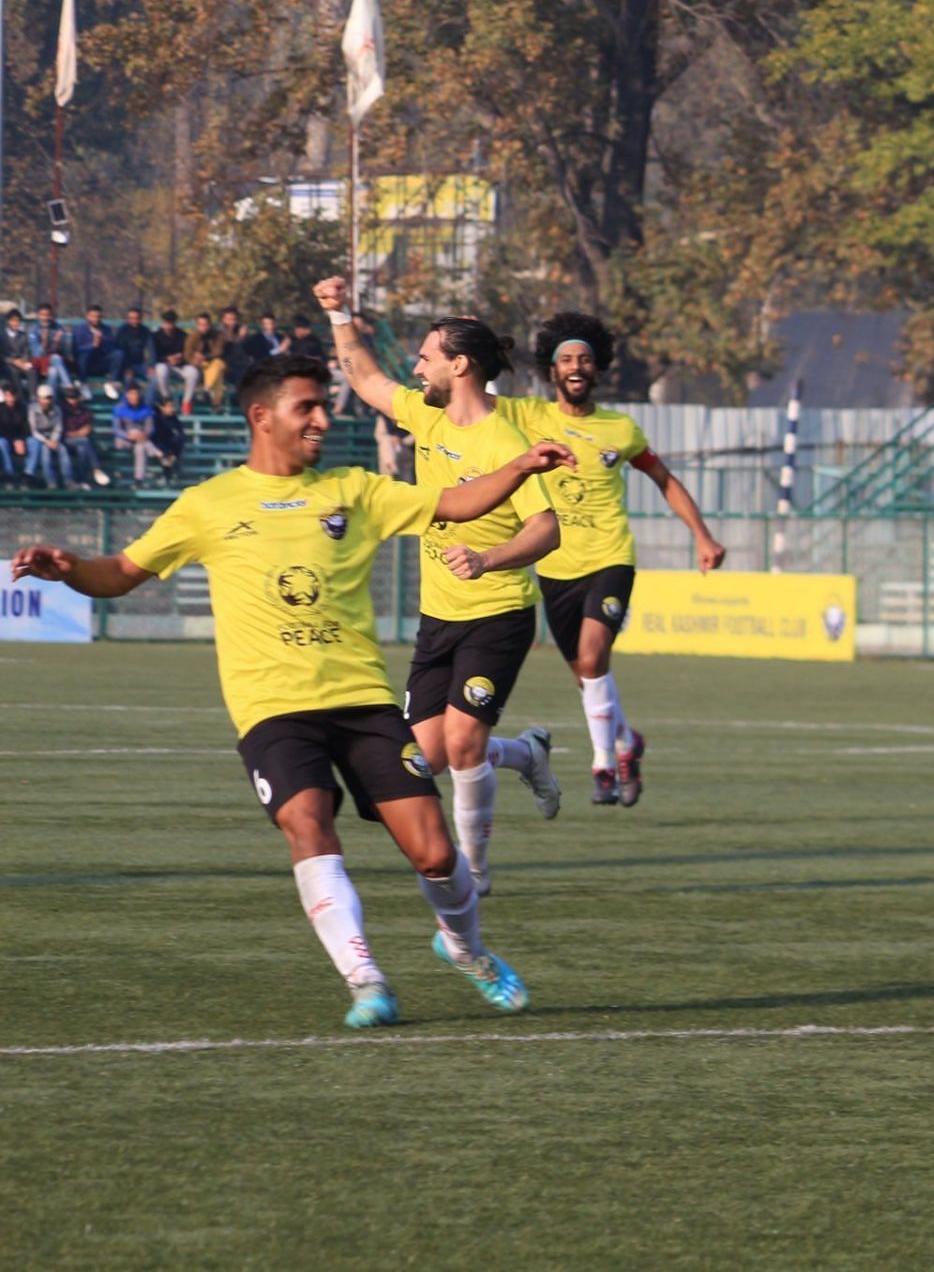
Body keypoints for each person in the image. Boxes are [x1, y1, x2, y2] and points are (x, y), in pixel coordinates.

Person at [10, 354, 575, 1028]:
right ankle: (366, 979)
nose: (321, 418)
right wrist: (71, 569)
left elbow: (454, 502)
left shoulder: (354, 490)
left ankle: (466, 949)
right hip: (272, 709)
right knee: (306, 820)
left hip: (361, 700)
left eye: (323, 405)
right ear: (262, 417)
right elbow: (123, 573)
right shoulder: (208, 505)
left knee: (433, 850)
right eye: (306, 407)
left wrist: (519, 468)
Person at [320, 278, 564, 894]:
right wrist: (340, 314)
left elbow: (547, 530)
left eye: (427, 356)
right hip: (439, 616)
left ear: (459, 365)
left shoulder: (507, 442)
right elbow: (366, 379)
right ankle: (526, 755)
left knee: (460, 743)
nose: (417, 366)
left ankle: (473, 875)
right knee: (422, 759)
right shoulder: (427, 416)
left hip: (499, 613)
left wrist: (488, 559)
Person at [489, 311, 729, 807]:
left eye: (585, 358)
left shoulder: (620, 428)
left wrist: (702, 536)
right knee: (587, 676)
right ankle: (626, 742)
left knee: (596, 658)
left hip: (609, 558)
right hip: (554, 567)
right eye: (566, 359)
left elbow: (664, 479)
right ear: (552, 370)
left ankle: (603, 768)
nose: (576, 366)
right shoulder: (529, 417)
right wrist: (470, 344)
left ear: (597, 369)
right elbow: (475, 400)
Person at [112, 383, 167, 486]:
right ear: (127, 395)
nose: (134, 396)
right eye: (131, 394)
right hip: (123, 440)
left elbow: (150, 428)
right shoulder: (120, 408)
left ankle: (138, 480)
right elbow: (116, 429)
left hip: (141, 440)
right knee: (133, 432)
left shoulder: (145, 409)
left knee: (140, 448)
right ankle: (156, 452)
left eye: (136, 394)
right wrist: (128, 436)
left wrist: (143, 435)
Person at [59, 387, 109, 488]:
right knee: (85, 441)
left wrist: (77, 433)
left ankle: (81, 479)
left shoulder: (85, 411)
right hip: (65, 441)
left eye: (74, 398)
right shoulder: (62, 411)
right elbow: (64, 433)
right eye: (69, 398)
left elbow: (87, 429)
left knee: (82, 449)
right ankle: (96, 469)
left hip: (79, 442)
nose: (72, 401)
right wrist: (78, 433)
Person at [25, 384, 69, 487]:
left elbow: (58, 427)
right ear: (39, 398)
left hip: (52, 437)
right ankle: (51, 482)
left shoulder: (57, 410)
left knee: (63, 450)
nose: (46, 401)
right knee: (45, 453)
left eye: (49, 398)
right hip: (40, 438)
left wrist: (54, 440)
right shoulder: (32, 409)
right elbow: (33, 430)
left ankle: (68, 480)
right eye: (44, 398)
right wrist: (46, 441)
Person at [28, 305, 75, 395]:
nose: (45, 318)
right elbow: (36, 354)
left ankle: (51, 399)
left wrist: (57, 343)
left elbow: (66, 350)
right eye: (43, 315)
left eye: (48, 315)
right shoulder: (33, 329)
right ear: (38, 315)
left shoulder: (57, 327)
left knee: (53, 371)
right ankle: (69, 385)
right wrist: (44, 343)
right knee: (56, 358)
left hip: (55, 363)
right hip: (39, 363)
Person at [182, 312, 224, 409]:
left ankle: (206, 390)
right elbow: (187, 354)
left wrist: (205, 356)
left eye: (206, 325)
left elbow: (218, 351)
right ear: (197, 325)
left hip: (211, 363)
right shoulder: (193, 336)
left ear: (210, 325)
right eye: (201, 325)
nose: (204, 327)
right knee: (218, 374)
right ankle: (216, 404)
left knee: (218, 365)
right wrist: (195, 359)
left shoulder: (217, 335)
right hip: (198, 366)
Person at [114, 307, 157, 399]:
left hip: (141, 364)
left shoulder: (145, 331)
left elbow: (151, 349)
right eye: (132, 319)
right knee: (127, 379)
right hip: (125, 365)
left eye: (137, 318)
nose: (134, 321)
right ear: (128, 319)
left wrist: (151, 366)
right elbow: (120, 351)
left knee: (154, 379)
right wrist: (127, 367)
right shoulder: (122, 331)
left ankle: (147, 405)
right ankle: (127, 405)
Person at [70, 306, 116, 389]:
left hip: (101, 363)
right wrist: (92, 346)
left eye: (98, 317)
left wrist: (102, 342)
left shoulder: (106, 330)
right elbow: (76, 351)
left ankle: (111, 383)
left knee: (118, 354)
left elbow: (111, 349)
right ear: (87, 316)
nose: (96, 319)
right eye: (93, 316)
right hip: (85, 365)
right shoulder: (79, 330)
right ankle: (83, 384)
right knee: (83, 355)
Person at [0, 384, 29, 485]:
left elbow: (26, 427)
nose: (10, 398)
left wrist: (20, 439)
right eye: (7, 395)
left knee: (33, 444)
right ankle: (9, 474)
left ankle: (27, 476)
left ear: (16, 396)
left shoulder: (23, 408)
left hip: (20, 438)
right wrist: (14, 440)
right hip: (6, 438)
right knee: (2, 443)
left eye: (12, 395)